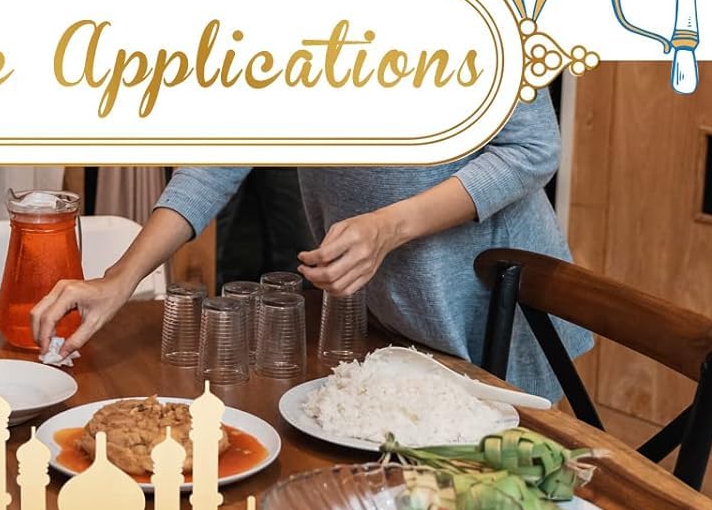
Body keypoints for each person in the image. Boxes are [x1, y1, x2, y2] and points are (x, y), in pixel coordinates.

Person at [30, 98, 590, 404]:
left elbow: (533, 148)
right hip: (393, 314)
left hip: (494, 307)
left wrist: (389, 228)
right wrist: (119, 279)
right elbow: (218, 160)